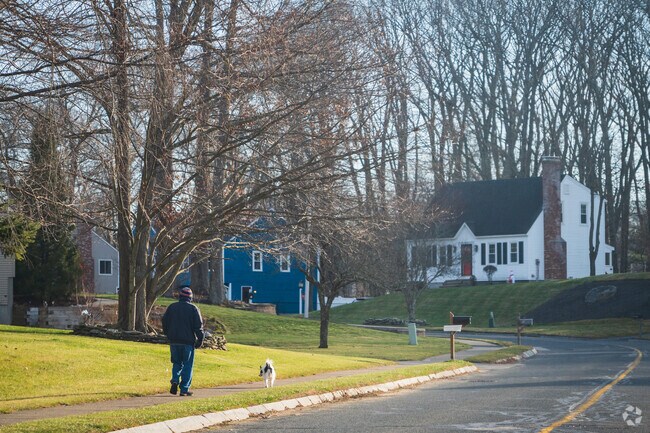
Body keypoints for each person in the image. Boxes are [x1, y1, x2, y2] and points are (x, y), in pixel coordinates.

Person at [162, 286, 204, 396]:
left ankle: (175, 379)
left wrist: (167, 333)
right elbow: (198, 326)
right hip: (187, 342)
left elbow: (165, 322)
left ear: (180, 296)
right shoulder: (193, 309)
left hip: (174, 341)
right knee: (187, 365)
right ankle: (184, 389)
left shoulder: (172, 307)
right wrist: (200, 339)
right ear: (190, 298)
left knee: (176, 363)